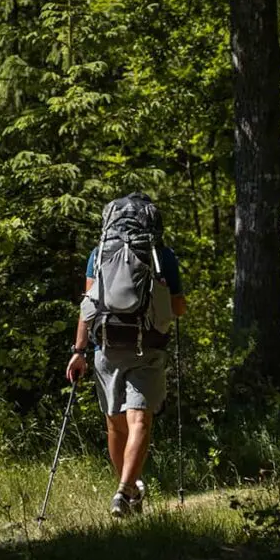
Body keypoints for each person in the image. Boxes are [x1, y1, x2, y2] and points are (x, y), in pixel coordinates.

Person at [65, 194, 186, 518]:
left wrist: (79, 352)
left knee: (116, 427)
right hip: (148, 348)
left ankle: (126, 489)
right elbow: (177, 308)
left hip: (107, 348)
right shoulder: (162, 256)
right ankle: (126, 490)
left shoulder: (98, 254)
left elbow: (88, 307)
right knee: (140, 420)